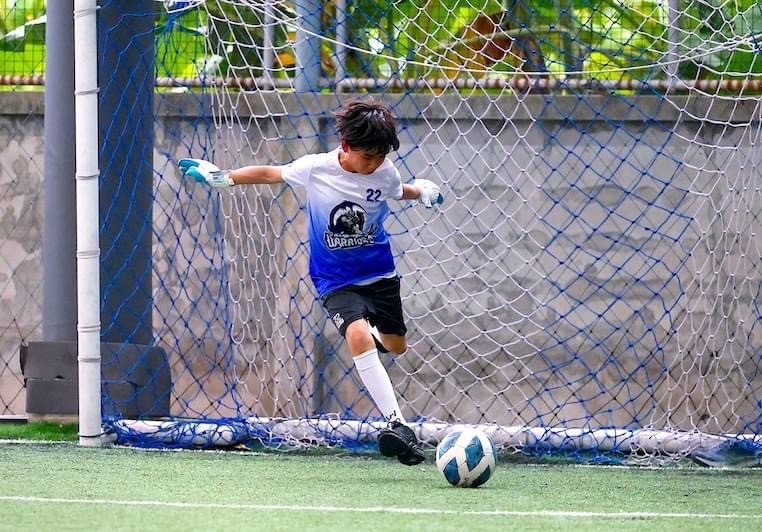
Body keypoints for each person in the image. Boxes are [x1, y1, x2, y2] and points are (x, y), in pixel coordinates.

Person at [178, 98, 443, 465]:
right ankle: (398, 424)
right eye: (368, 158)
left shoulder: (386, 172)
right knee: (357, 334)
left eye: (381, 157)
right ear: (346, 147)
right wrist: (224, 177)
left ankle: (376, 339)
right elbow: (271, 173)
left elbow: (399, 192)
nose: (374, 165)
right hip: (334, 279)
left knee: (396, 345)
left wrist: (422, 192)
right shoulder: (317, 168)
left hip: (380, 275)